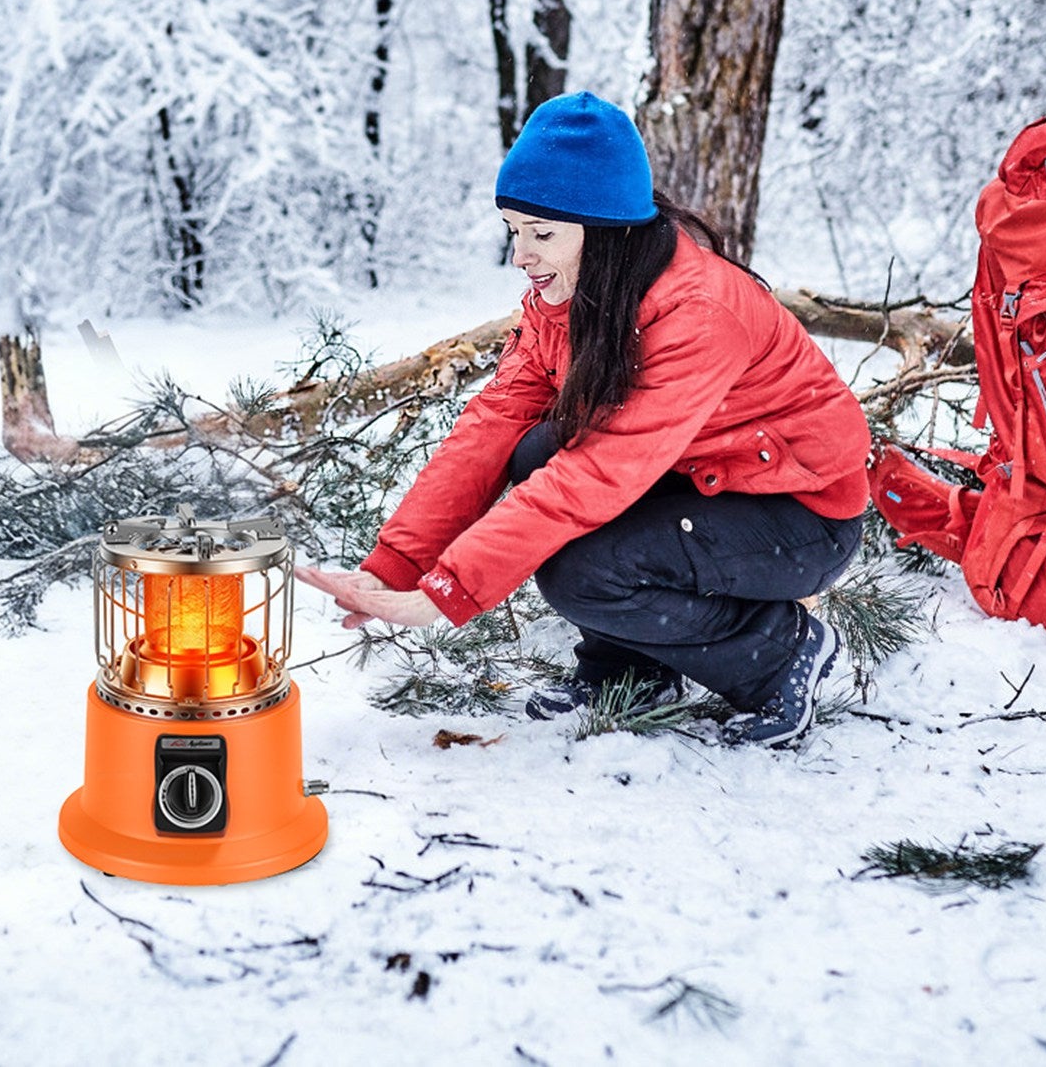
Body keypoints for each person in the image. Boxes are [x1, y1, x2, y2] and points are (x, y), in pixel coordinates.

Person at [296, 92, 869, 747]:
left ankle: (779, 656)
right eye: (515, 230)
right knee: (533, 451)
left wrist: (446, 593)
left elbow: (600, 471)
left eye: (543, 235)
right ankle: (632, 668)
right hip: (698, 481)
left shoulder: (698, 311)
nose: (521, 255)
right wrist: (395, 568)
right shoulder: (571, 297)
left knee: (582, 572)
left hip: (796, 515)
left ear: (608, 232)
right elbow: (494, 422)